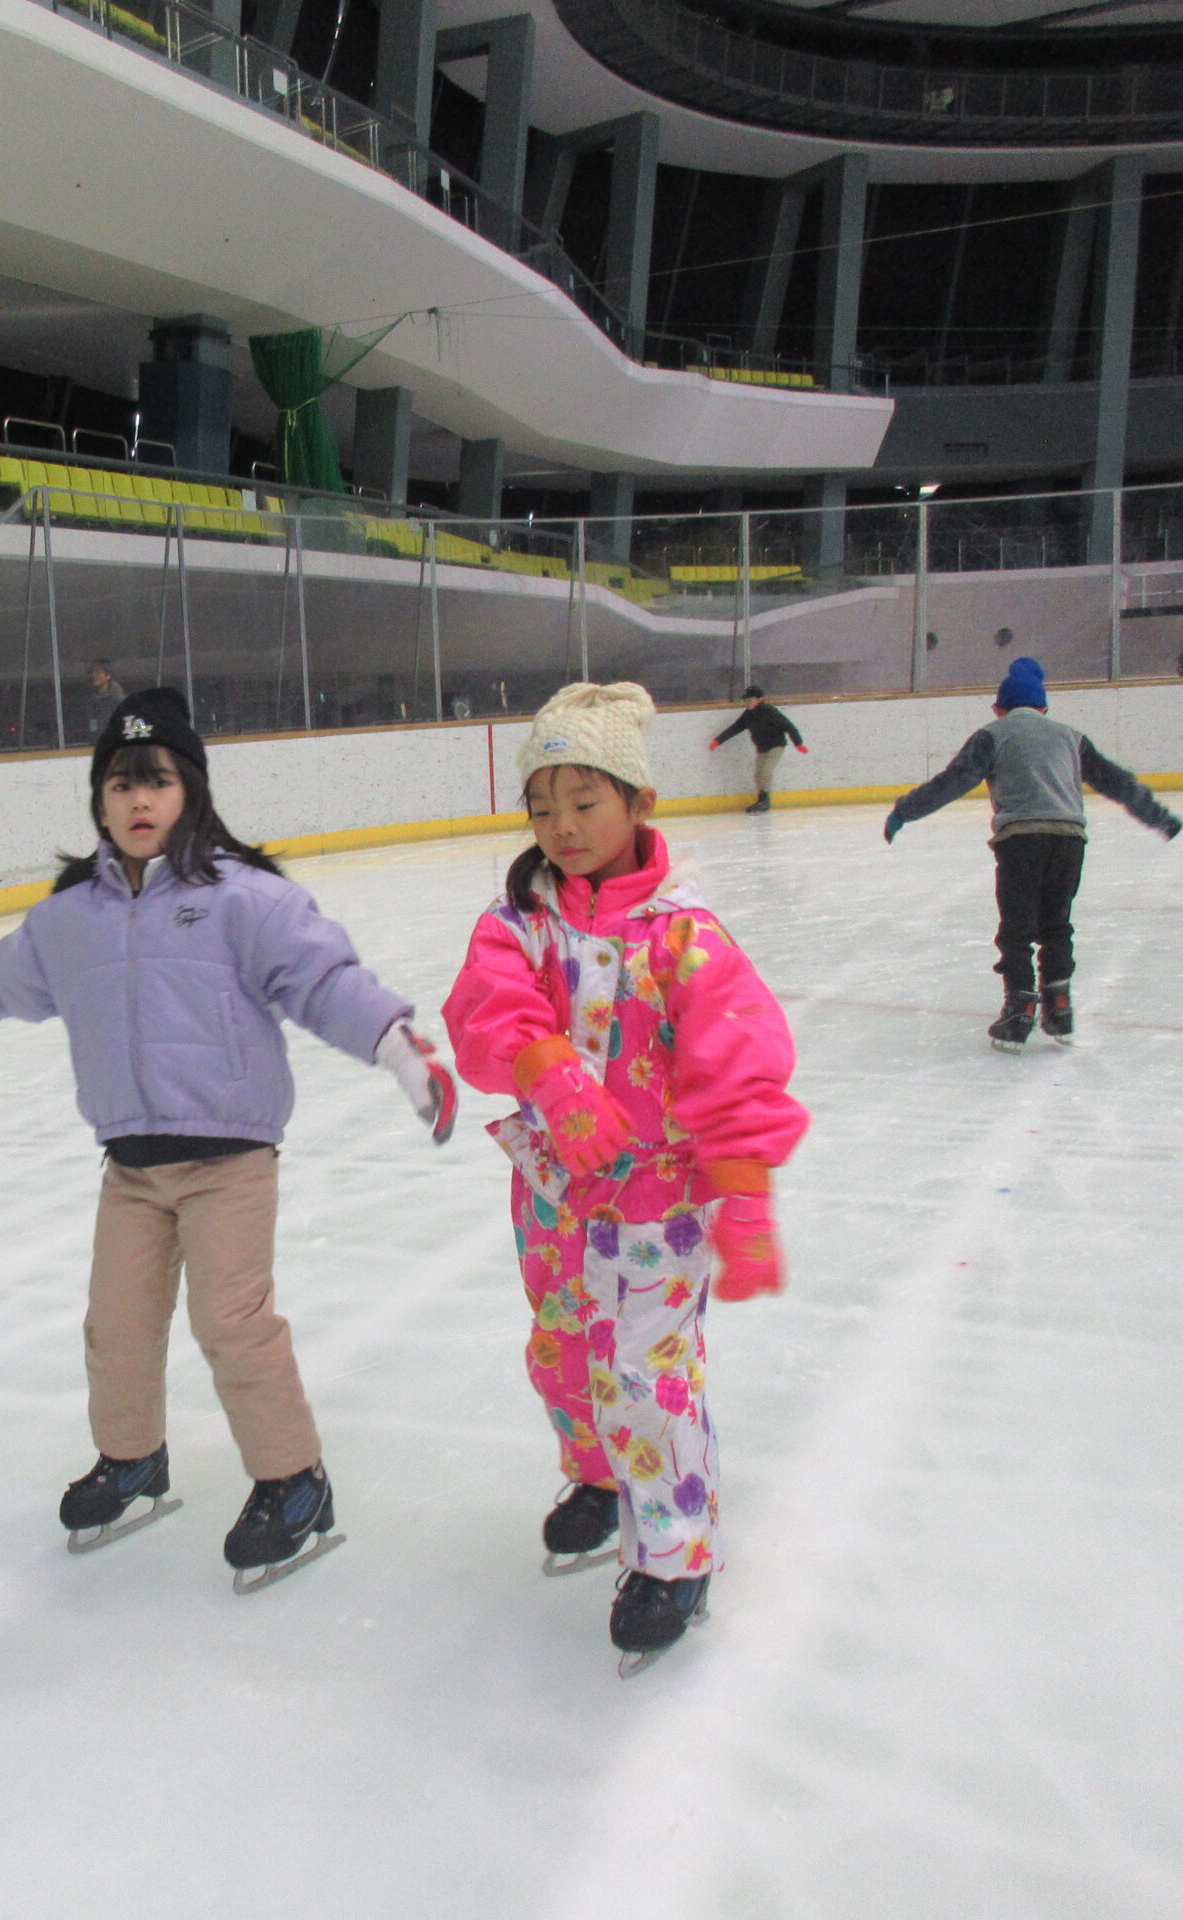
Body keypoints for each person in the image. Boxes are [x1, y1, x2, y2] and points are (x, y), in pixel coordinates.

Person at [0, 687, 457, 1591]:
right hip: (131, 1167)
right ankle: (132, 1460)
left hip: (228, 1158)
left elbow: (322, 981)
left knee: (230, 1322)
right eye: (119, 785)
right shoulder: (69, 919)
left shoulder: (245, 900)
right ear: (98, 803)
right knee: (115, 1325)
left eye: (156, 781)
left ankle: (294, 1481)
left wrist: (396, 1046)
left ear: (190, 790)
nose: (138, 800)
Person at [441, 683, 807, 1674]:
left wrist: (745, 1194)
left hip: (659, 1202)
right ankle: (601, 1476)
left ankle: (674, 1555)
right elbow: (484, 1010)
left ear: (639, 802)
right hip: (555, 1195)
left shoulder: (685, 937)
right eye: (541, 807)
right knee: (562, 1354)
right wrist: (546, 1069)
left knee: (645, 1374)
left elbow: (736, 1063)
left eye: (583, 802)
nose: (560, 827)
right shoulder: (518, 923)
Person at [884, 656, 1182, 1051]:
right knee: (1057, 925)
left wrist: (904, 811)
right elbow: (1115, 781)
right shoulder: (1071, 737)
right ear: (1044, 708)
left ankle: (1019, 1010)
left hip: (1021, 840)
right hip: (1069, 839)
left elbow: (953, 782)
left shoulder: (992, 735)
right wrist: (1158, 817)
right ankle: (1059, 1006)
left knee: (1017, 929)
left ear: (998, 709)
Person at [708, 685, 806, 814]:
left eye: (750, 700)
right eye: (746, 700)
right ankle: (761, 799)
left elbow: (788, 726)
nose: (747, 703)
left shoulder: (769, 711)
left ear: (760, 700)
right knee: (758, 774)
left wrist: (798, 743)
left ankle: (765, 801)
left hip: (776, 745)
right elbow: (735, 728)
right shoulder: (748, 715)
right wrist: (718, 740)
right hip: (762, 748)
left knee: (766, 771)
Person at [81, 658, 124, 734]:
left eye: (98, 672)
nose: (93, 675)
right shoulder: (90, 699)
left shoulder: (117, 700)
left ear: (108, 675)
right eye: (91, 672)